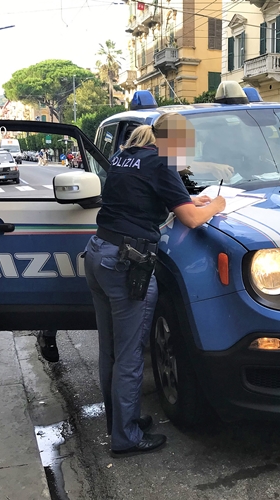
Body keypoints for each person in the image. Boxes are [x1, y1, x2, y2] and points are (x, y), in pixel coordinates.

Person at [84, 112, 225, 457]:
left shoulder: (126, 154)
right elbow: (191, 219)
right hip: (125, 263)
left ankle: (121, 421)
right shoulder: (163, 162)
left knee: (111, 351)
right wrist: (216, 204)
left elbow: (147, 198)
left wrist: (192, 201)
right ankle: (126, 437)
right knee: (130, 355)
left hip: (98, 253)